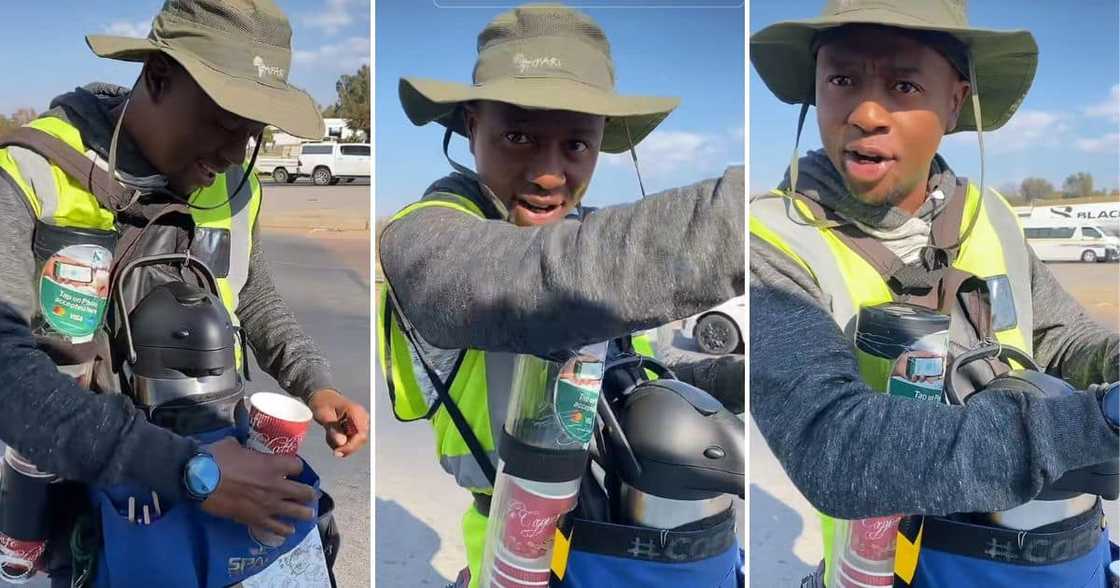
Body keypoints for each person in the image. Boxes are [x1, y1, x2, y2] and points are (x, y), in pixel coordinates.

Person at [749, 0, 1118, 586]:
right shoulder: (771, 241)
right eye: (841, 80)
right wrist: (1093, 426)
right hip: (875, 569)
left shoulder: (989, 211)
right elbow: (833, 445)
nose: (867, 112)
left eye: (904, 84)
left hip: (1051, 556)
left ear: (955, 101)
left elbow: (1058, 337)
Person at [0, 0, 369, 583]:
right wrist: (188, 470)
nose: (232, 153)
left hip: (214, 469)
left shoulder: (232, 185)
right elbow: (7, 370)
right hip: (70, 503)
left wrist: (313, 380)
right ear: (158, 77)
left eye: (252, 133)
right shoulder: (34, 171)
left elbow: (253, 297)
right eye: (224, 122)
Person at [378, 4, 744, 586]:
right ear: (472, 126)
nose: (549, 175)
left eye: (577, 144)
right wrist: (736, 223)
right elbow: (530, 284)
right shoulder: (424, 240)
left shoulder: (584, 247)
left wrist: (728, 381)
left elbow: (622, 378)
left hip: (620, 547)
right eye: (518, 136)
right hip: (515, 554)